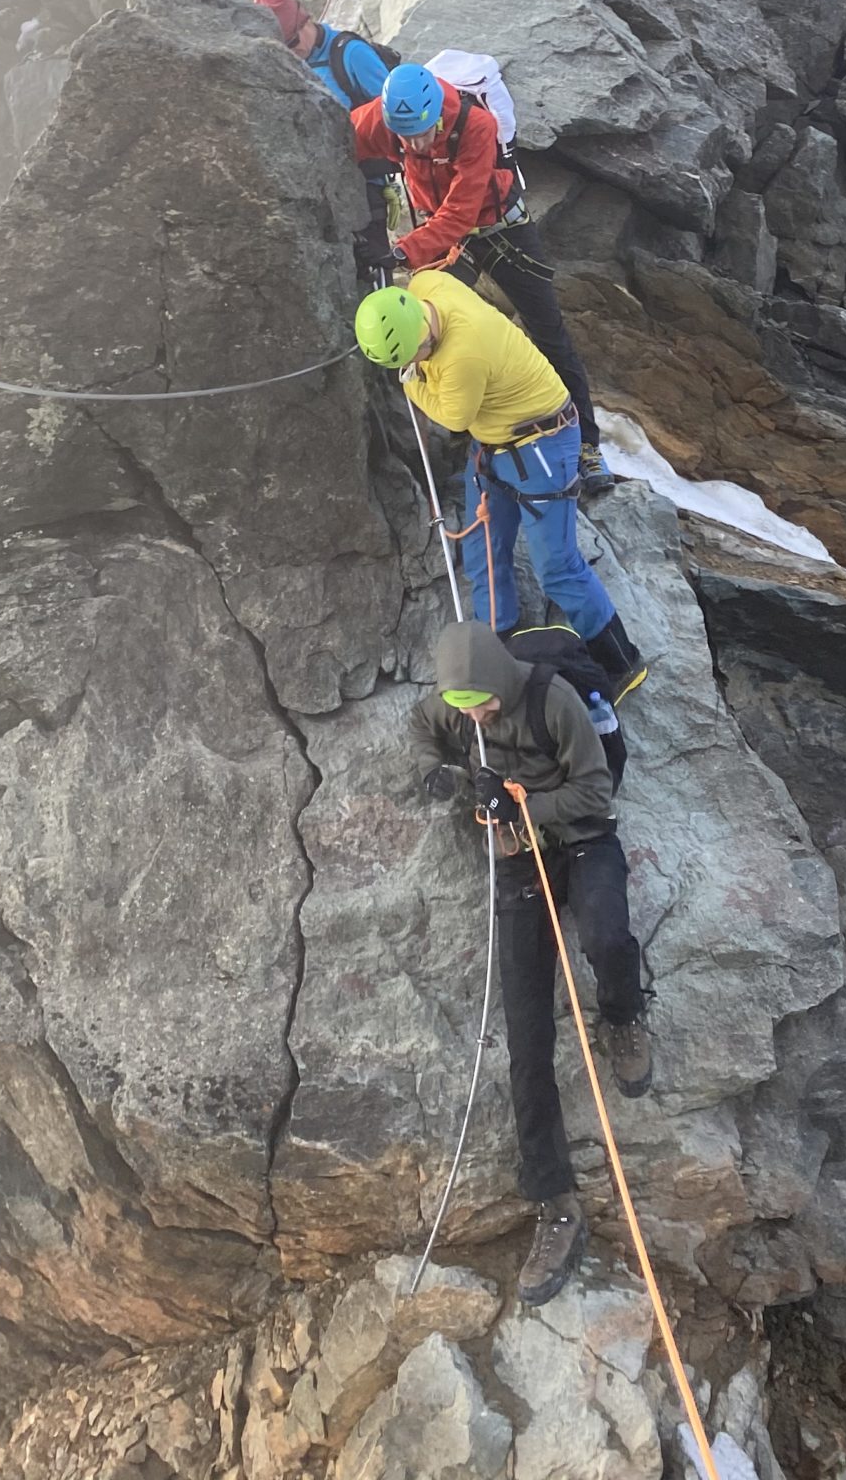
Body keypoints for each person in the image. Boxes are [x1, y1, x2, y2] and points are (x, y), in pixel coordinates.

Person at [411, 613, 653, 1307]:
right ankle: (554, 1200)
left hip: (579, 837)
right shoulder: (460, 707)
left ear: (497, 681)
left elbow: (596, 789)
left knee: (606, 933)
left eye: (478, 702)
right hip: (520, 861)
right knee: (527, 1040)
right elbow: (422, 728)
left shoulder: (554, 701)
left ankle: (624, 1015)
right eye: (462, 706)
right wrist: (448, 777)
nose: (473, 716)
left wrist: (521, 801)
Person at [352, 275, 644, 698]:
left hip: (542, 443)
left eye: (415, 354)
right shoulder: (428, 284)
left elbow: (453, 419)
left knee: (557, 567)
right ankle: (501, 648)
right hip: (497, 443)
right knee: (482, 551)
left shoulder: (462, 356)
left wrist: (411, 379)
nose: (416, 361)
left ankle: (622, 662)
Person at [352, 63, 615, 497]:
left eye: (420, 135)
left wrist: (401, 251)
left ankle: (587, 445)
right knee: (433, 335)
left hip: (500, 230)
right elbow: (340, 139)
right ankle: (469, 447)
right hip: (441, 235)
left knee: (548, 332)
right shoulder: (387, 120)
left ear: (437, 115)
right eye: (403, 137)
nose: (412, 145)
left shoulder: (476, 126)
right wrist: (374, 207)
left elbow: (461, 212)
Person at [253, 0, 393, 108]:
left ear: (305, 22)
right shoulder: (284, 66)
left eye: (291, 43)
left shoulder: (353, 53)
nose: (289, 52)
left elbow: (392, 108)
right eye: (280, 49)